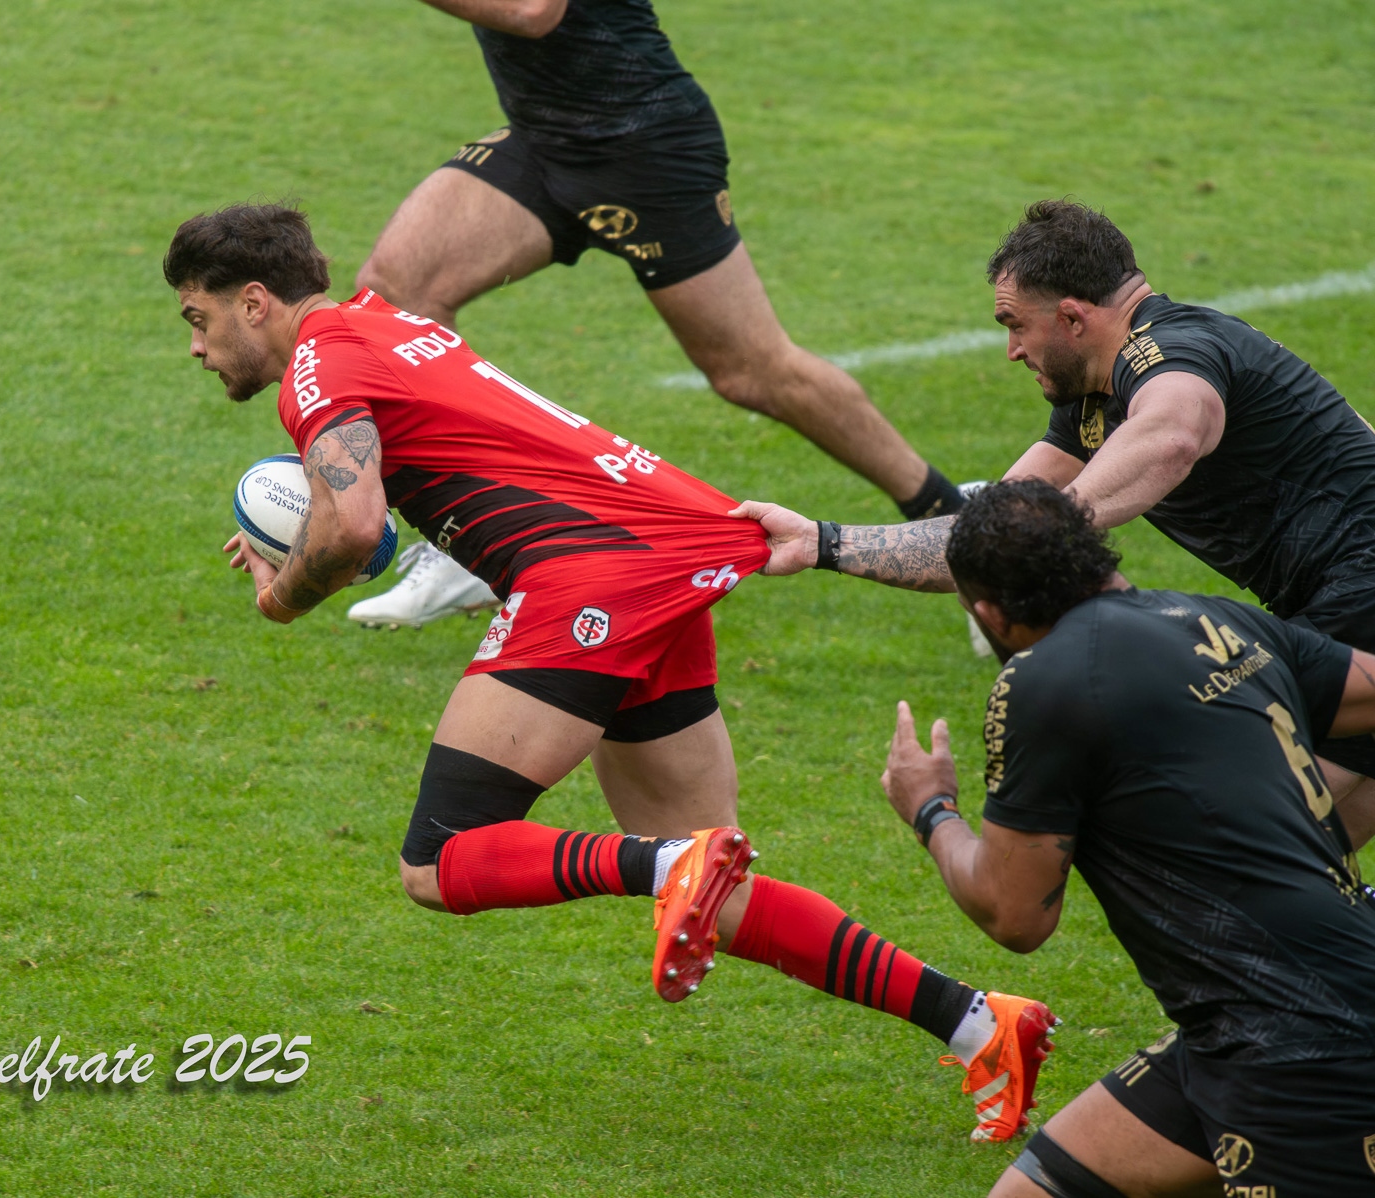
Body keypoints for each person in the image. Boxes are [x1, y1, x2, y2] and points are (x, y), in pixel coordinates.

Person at [167, 201, 1055, 1140]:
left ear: (255, 301)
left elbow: (351, 528)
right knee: (726, 883)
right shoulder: (386, 323)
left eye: (199, 318)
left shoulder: (316, 366)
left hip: (592, 581)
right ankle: (981, 1024)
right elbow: (382, 505)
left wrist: (283, 594)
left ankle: (668, 865)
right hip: (665, 554)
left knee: (439, 861)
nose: (197, 345)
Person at [735, 199, 1375, 840]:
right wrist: (822, 542)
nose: (1011, 351)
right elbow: (988, 535)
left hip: (1360, 586)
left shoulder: (1174, 349)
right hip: (1330, 602)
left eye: (1014, 324)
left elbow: (1175, 431)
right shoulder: (1090, 405)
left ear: (1071, 317)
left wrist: (1052, 530)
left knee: (1225, 834)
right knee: (1305, 862)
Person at [341, 0, 970, 629]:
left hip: (644, 145)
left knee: (754, 371)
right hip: (545, 139)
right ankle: (473, 528)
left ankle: (960, 525)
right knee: (395, 292)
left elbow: (534, 11)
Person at [874, 478, 1375, 1196]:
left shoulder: (1046, 682)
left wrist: (930, 808)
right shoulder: (1218, 621)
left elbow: (1015, 914)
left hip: (1296, 1043)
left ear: (988, 613)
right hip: (1244, 1015)